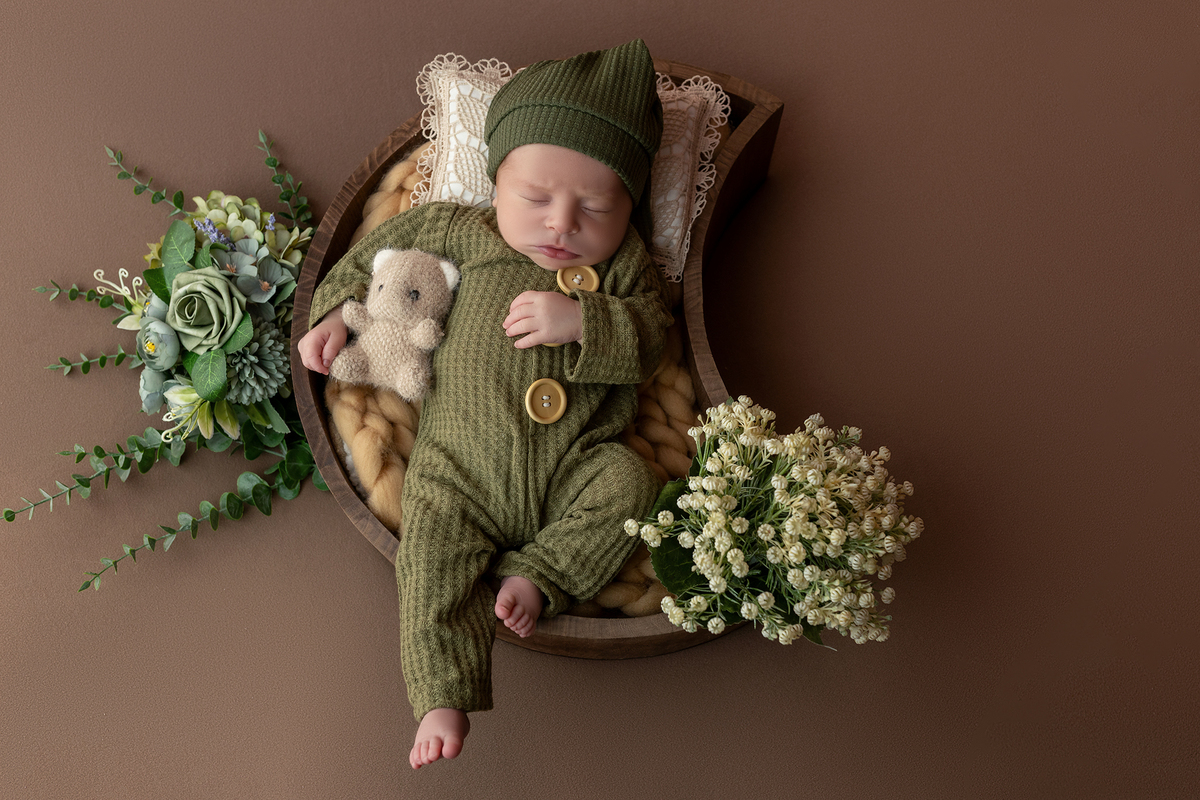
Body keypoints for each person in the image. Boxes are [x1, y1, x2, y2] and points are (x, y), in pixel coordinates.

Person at [298, 39, 671, 770]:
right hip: (458, 468)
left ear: (629, 205)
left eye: (595, 205)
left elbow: (654, 339)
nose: (562, 223)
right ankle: (442, 693)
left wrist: (585, 322)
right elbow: (375, 257)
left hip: (576, 468)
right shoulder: (460, 233)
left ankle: (541, 574)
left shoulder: (625, 266)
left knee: (634, 485)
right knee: (429, 559)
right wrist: (341, 312)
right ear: (496, 185)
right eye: (535, 198)